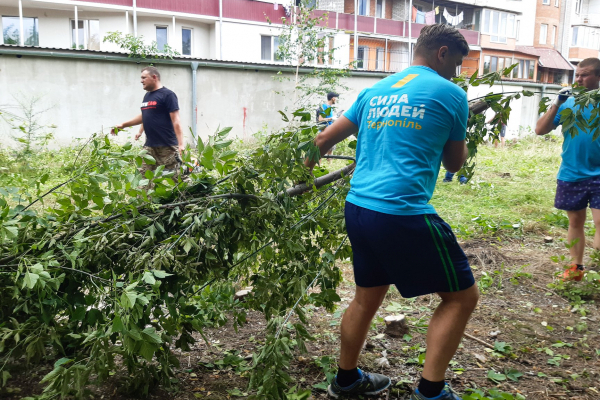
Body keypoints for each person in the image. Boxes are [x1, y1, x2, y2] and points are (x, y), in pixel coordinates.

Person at [305, 24, 479, 400]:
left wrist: (300, 174)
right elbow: (454, 163)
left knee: (367, 297)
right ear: (442, 53)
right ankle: (431, 392)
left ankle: (346, 381)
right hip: (403, 213)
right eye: (458, 63)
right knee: (462, 297)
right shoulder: (451, 94)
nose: (457, 72)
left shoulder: (375, 90)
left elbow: (321, 141)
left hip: (359, 209)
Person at [535, 58, 600, 281]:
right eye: (577, 75)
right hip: (572, 172)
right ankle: (577, 268)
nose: (579, 79)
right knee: (575, 222)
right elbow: (540, 130)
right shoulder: (567, 104)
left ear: (598, 77)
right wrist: (557, 102)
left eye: (585, 75)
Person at [112, 66, 186, 181]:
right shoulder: (147, 96)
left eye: (144, 78)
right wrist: (123, 125)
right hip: (150, 146)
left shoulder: (168, 95)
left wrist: (181, 145)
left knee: (179, 177)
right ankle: (143, 199)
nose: (141, 81)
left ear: (154, 77)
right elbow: (144, 115)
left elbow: (176, 120)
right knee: (142, 178)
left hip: (167, 146)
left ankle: (192, 197)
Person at [317, 92, 339, 157]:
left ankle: (329, 166)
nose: (336, 99)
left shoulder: (330, 107)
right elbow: (320, 119)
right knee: (321, 152)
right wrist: (331, 118)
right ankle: (319, 166)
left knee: (330, 151)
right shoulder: (324, 106)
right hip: (325, 132)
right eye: (336, 98)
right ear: (333, 98)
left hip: (330, 131)